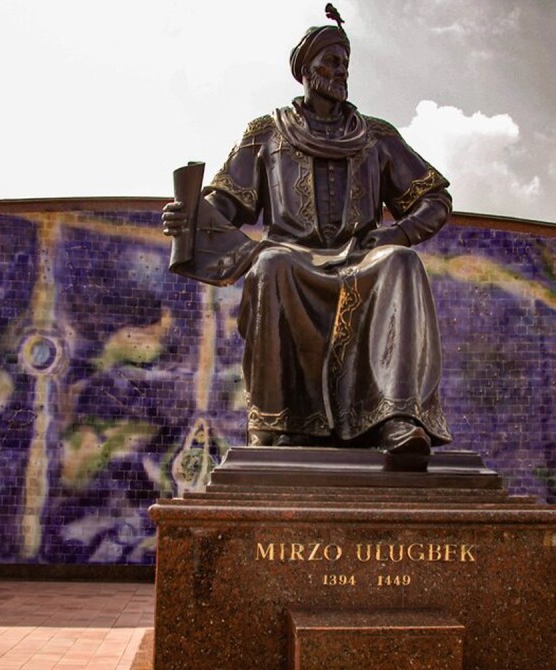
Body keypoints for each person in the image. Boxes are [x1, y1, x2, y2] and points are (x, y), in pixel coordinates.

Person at [162, 16, 452, 470]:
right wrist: (192, 216)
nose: (341, 70)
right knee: (271, 265)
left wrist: (398, 233)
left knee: (401, 262)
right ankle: (284, 423)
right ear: (306, 69)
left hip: (361, 259)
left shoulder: (376, 135)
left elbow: (434, 199)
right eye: (331, 61)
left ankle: (396, 417)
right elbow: (227, 202)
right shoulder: (266, 132)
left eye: (345, 62)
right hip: (293, 258)